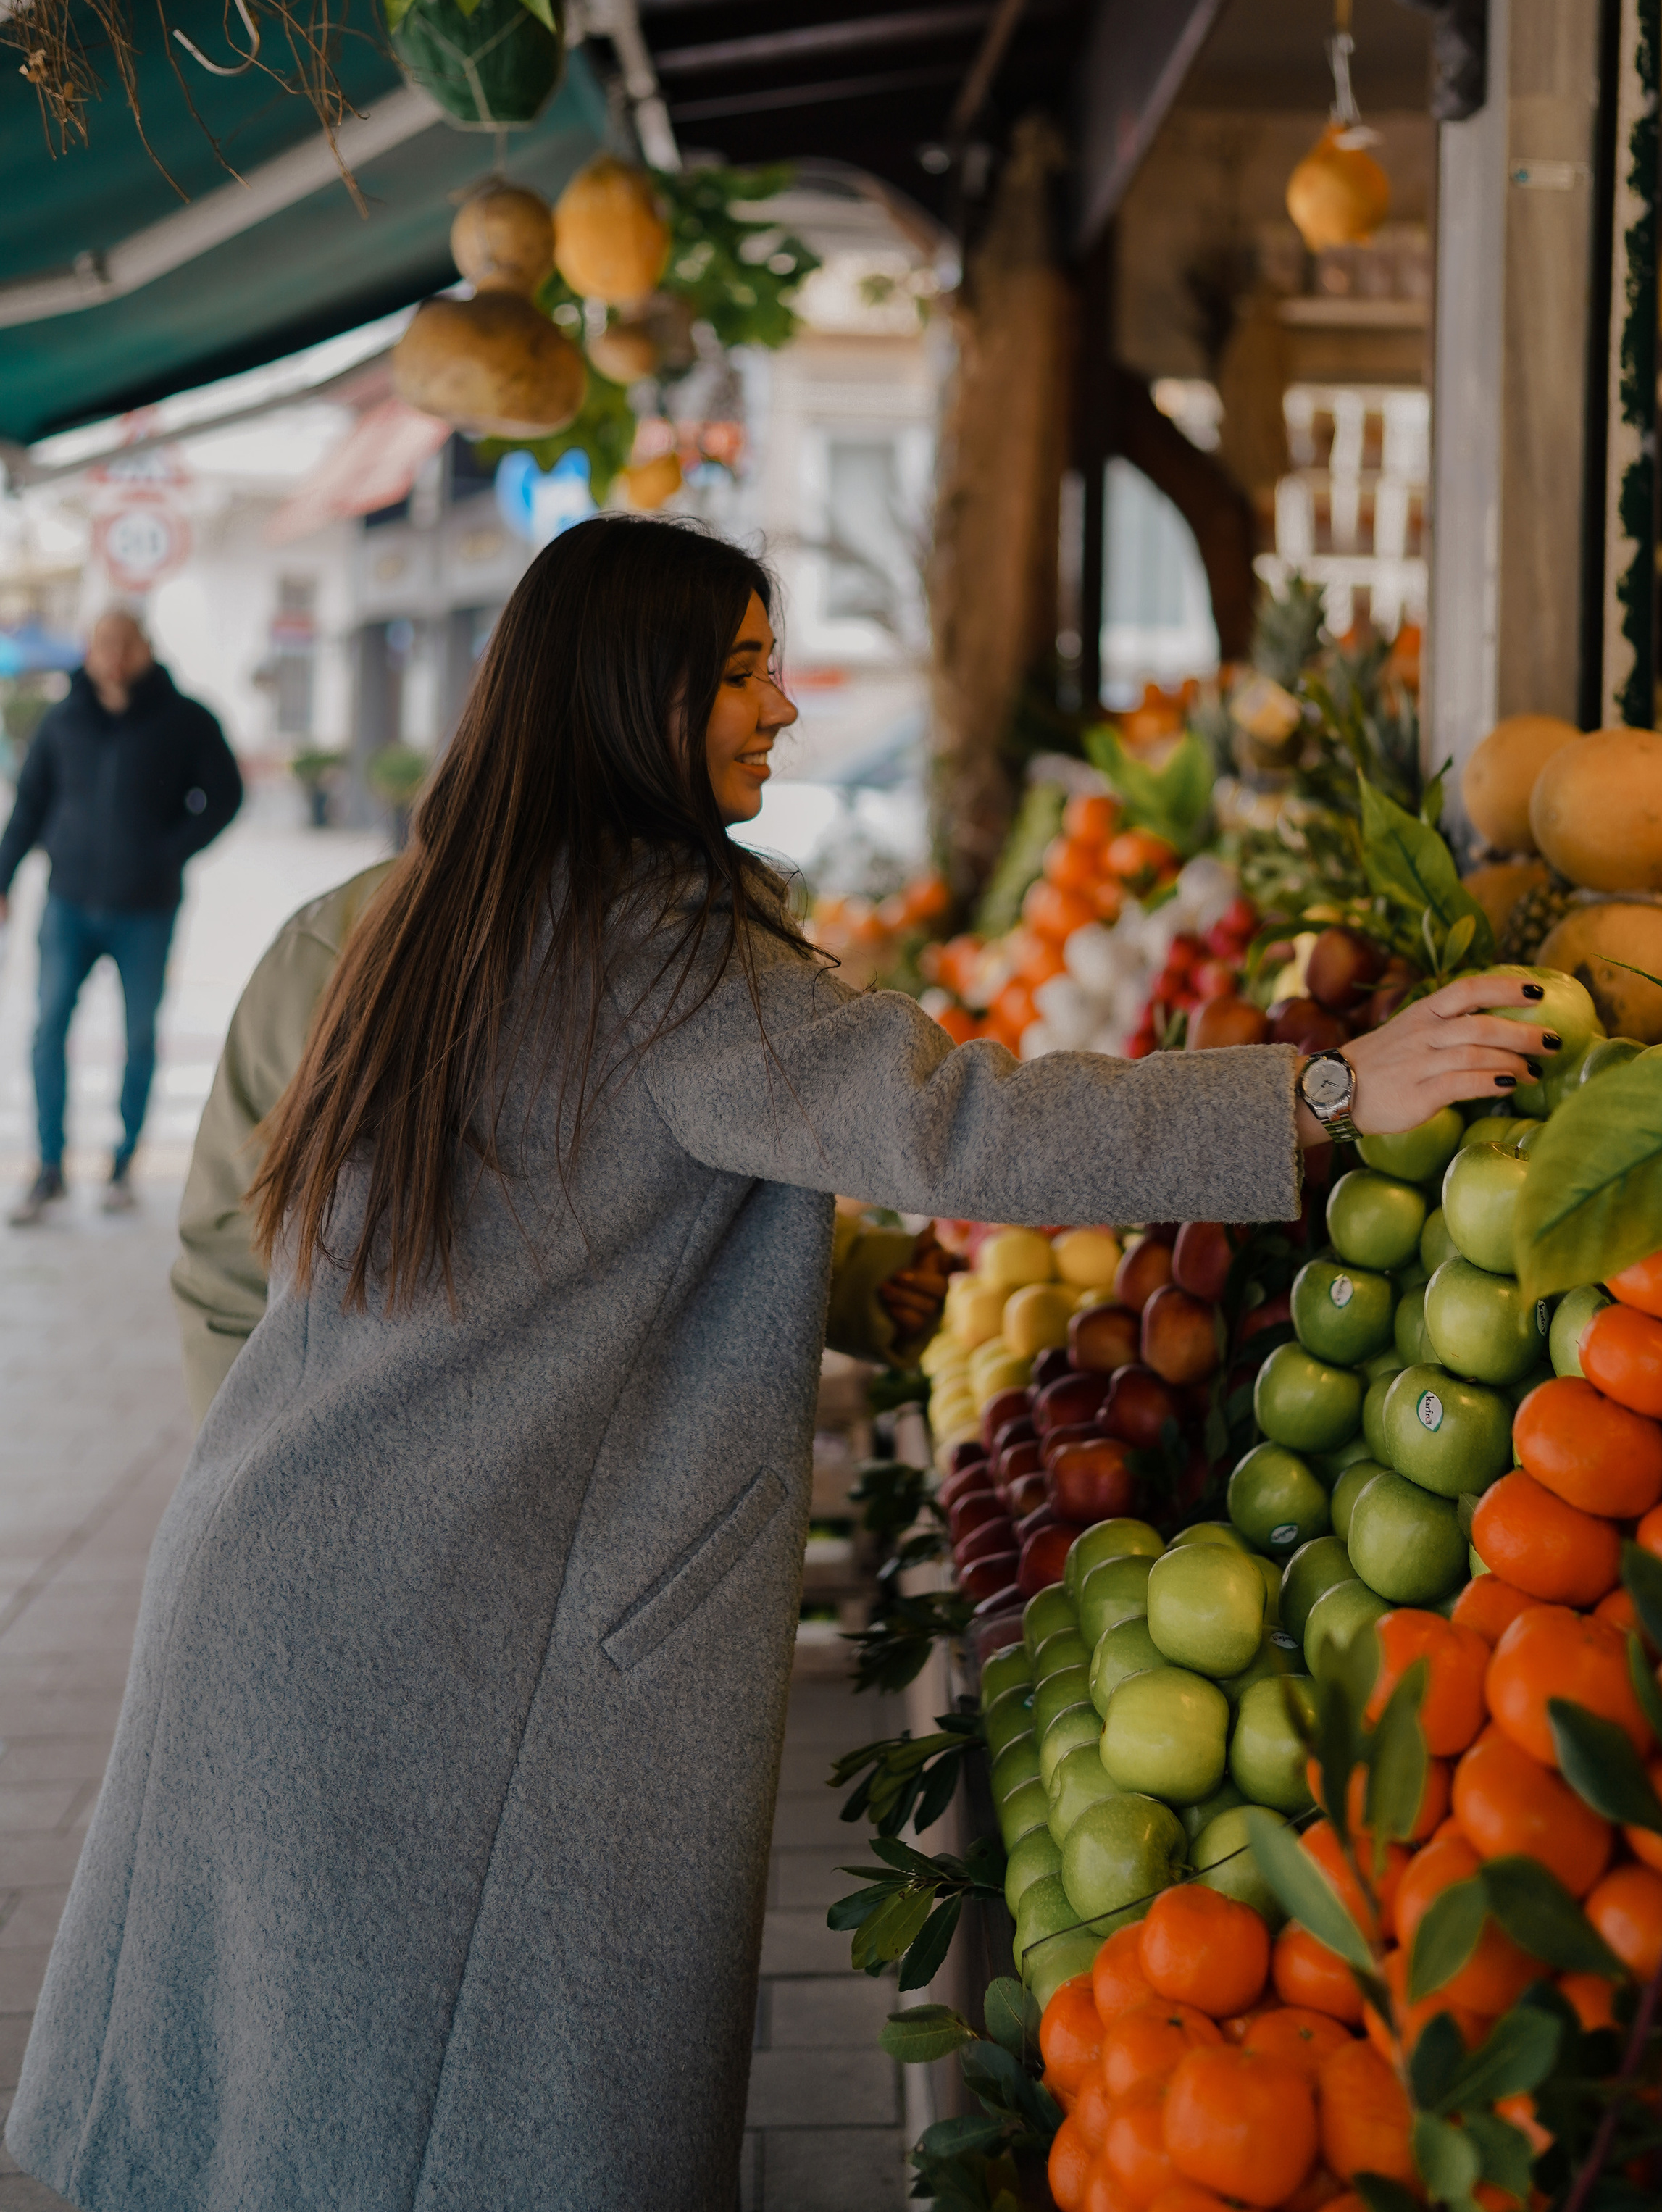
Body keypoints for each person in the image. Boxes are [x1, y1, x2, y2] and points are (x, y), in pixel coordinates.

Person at [9, 520, 1549, 2212]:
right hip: (440, 1642)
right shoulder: (669, 959)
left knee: (290, 2127)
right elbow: (968, 1122)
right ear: (631, 700)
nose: (783, 709)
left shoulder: (442, 914)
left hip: (300, 1579)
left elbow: (576, 1213)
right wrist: (1321, 1094)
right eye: (740, 671)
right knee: (433, 2132)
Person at [169, 861, 952, 1425]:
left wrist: (850, 1278)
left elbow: (625, 1194)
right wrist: (251, 1490)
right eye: (740, 677)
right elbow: (230, 1256)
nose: (776, 714)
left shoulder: (651, 936)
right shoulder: (335, 949)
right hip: (374, 1507)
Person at [0, 610, 243, 1225]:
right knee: (47, 1028)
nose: (112, 655)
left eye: (124, 644)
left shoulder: (187, 718)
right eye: (103, 644)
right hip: (68, 904)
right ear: (88, 649)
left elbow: (226, 796)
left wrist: (171, 851)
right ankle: (49, 1167)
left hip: (147, 908)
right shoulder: (61, 721)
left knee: (139, 1036)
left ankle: (122, 1165)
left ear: (144, 649)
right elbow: (29, 807)